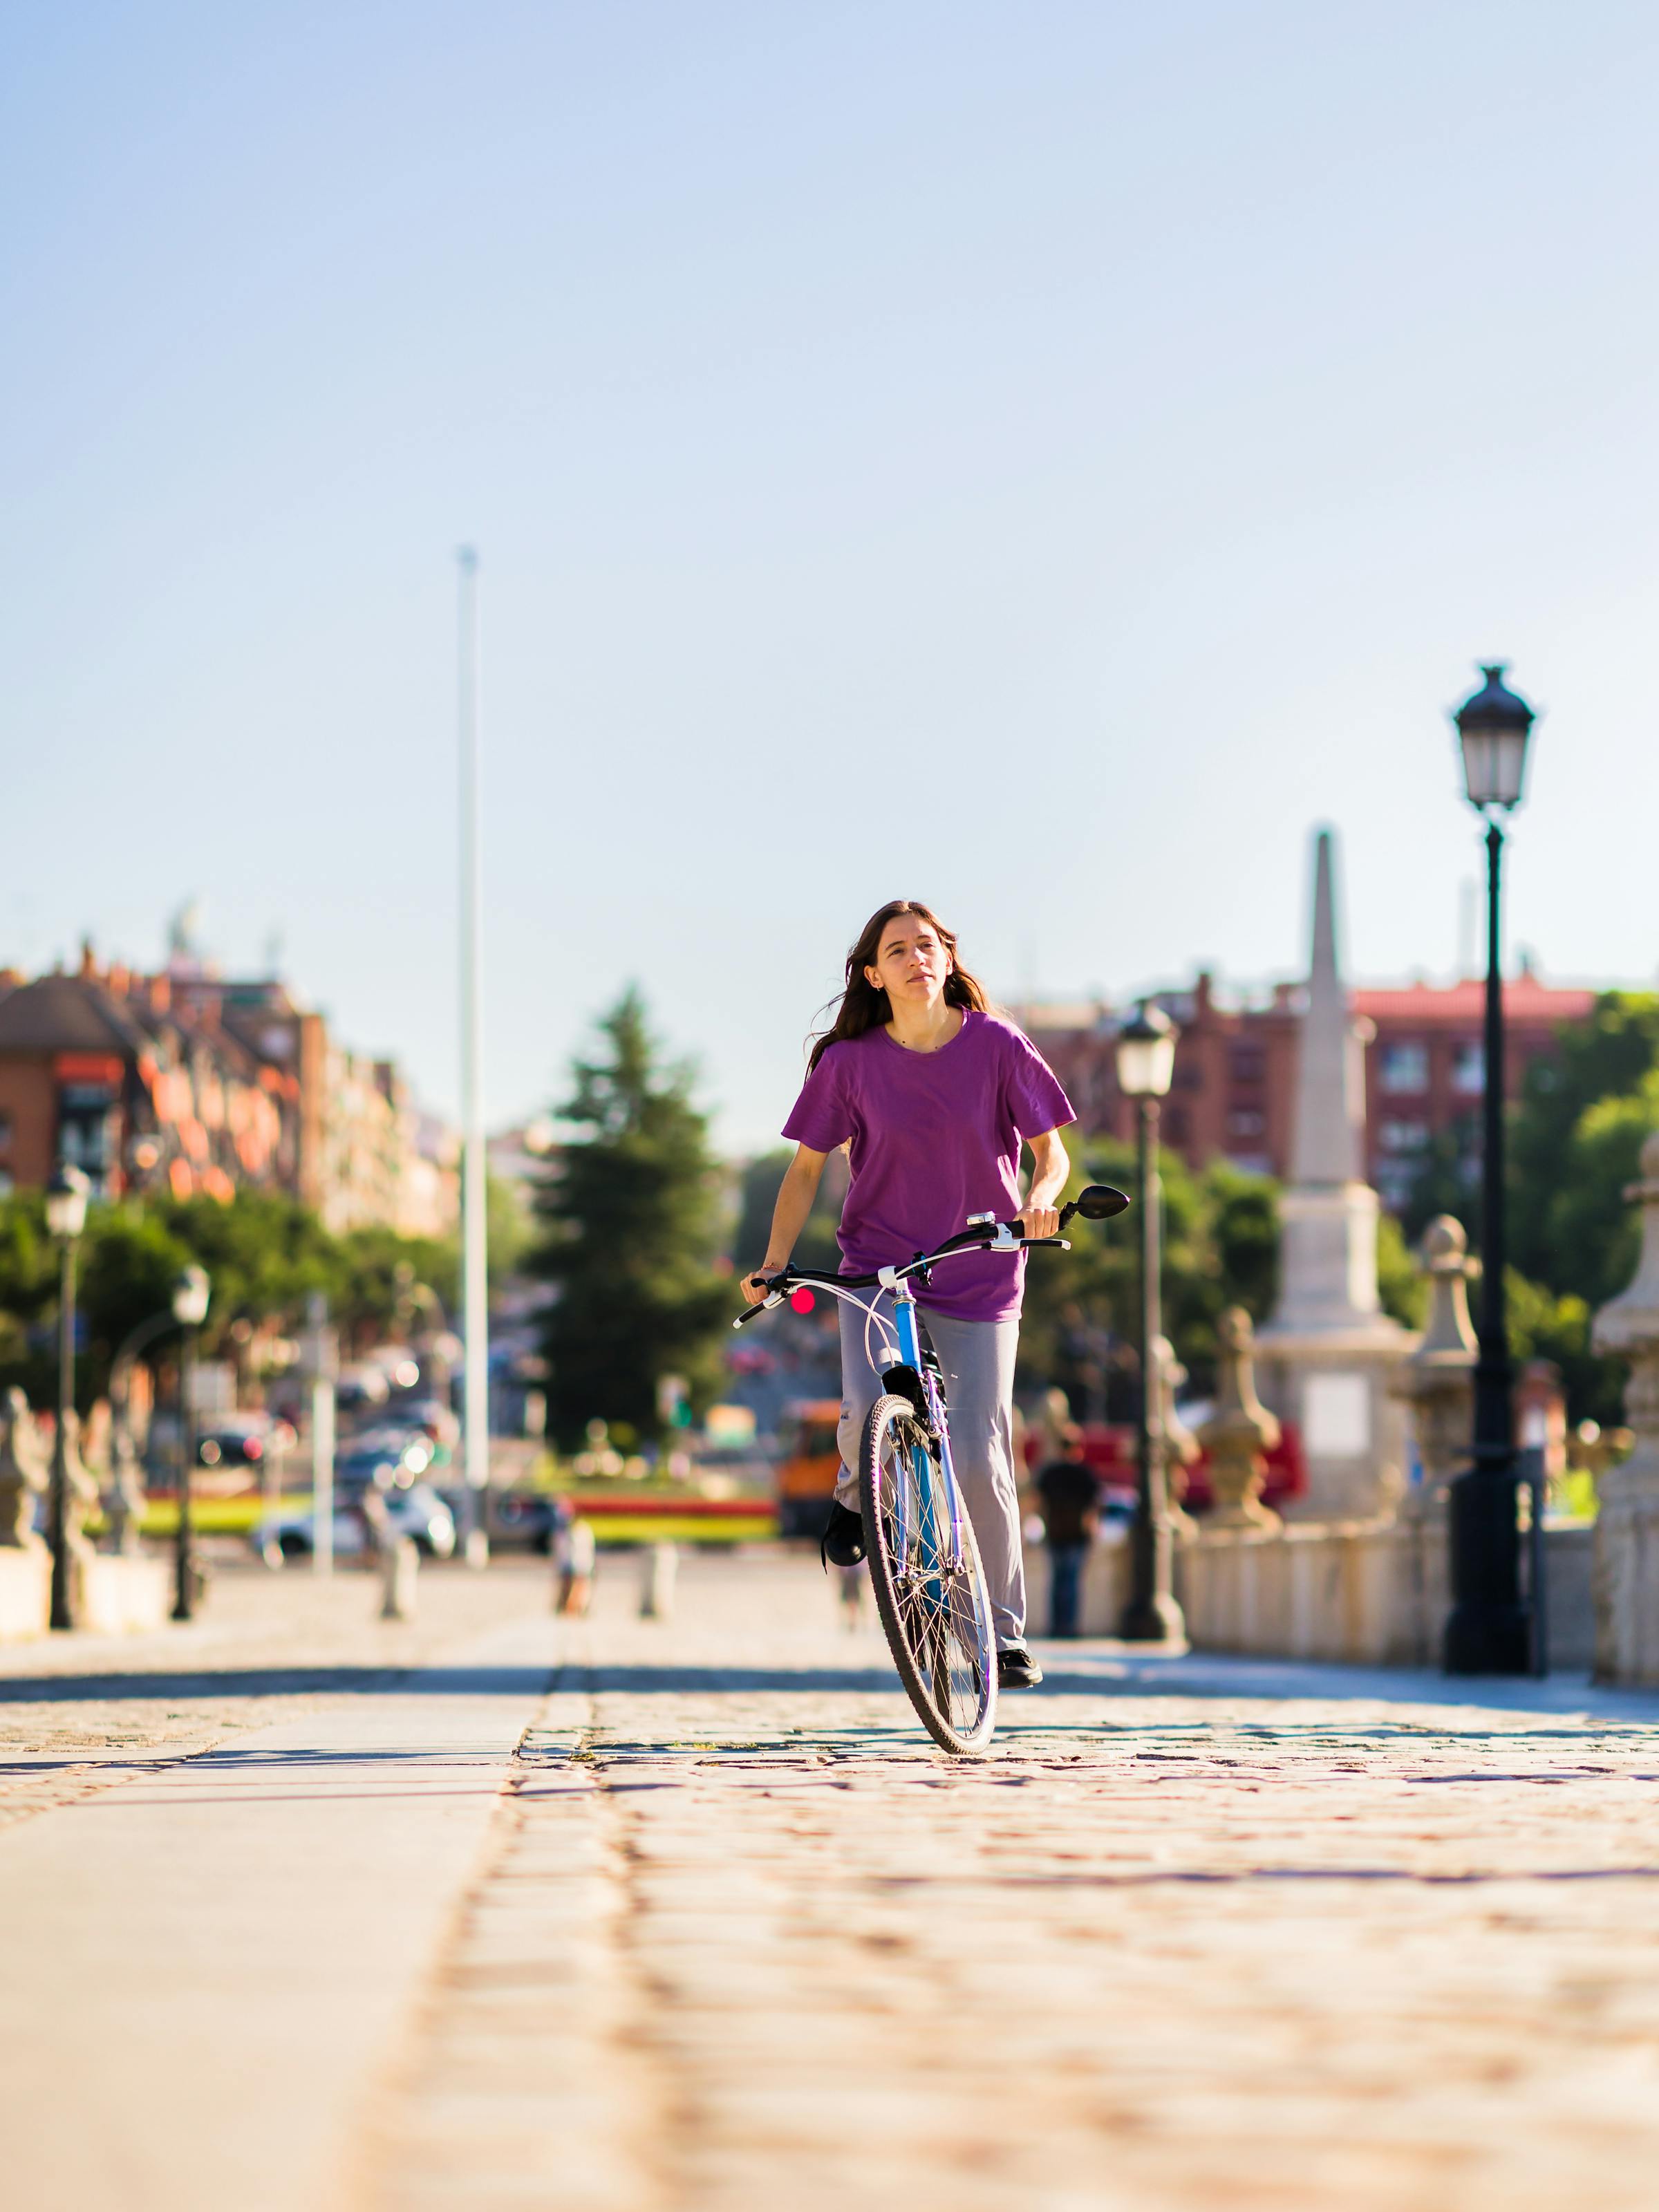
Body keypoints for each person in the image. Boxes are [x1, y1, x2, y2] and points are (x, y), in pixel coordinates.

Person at [742, 898, 1076, 1691]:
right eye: (898, 949)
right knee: (864, 1412)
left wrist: (1041, 1201)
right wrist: (774, 1261)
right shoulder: (850, 1064)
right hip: (879, 1267)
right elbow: (804, 1171)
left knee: (978, 1450)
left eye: (928, 945)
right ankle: (857, 1497)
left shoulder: (997, 1046)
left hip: (981, 1270)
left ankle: (1001, 1633)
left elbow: (1051, 1155)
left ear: (947, 958)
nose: (917, 957)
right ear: (873, 972)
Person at [1033, 1423, 1100, 1638]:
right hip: (1076, 1534)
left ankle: (1058, 1625)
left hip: (1055, 1532)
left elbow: (1039, 1502)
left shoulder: (1051, 1472)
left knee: (1058, 1581)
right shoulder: (1084, 1473)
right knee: (1070, 1582)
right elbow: (1095, 1504)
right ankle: (1068, 1626)